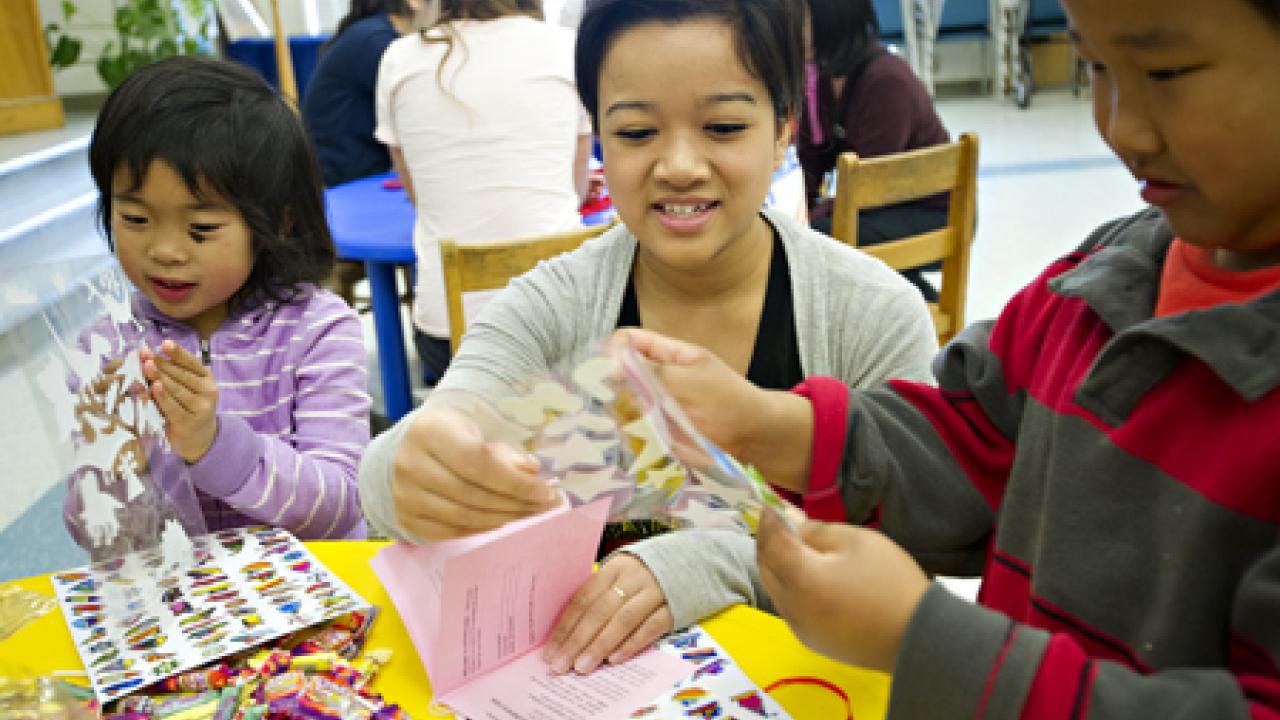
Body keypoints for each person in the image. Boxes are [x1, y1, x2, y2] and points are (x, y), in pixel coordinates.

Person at [545, 0, 1280, 713]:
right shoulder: (1095, 283)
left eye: (1170, 72)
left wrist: (922, 639)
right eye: (1093, 66)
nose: (1122, 127)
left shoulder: (867, 297)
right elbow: (967, 434)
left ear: (782, 131)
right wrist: (766, 424)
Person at [358, 0, 938, 556]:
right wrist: (410, 470)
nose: (680, 167)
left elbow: (916, 543)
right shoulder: (552, 309)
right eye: (637, 133)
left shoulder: (871, 316)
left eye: (724, 126)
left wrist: (704, 568)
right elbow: (427, 440)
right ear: (598, 136)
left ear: (784, 127)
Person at [69, 57, 371, 542]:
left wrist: (213, 445)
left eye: (201, 229)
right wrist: (115, 463)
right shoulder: (109, 345)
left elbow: (338, 506)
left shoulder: (317, 329)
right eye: (135, 219)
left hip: (317, 592)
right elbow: (102, 538)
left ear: (278, 223)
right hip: (188, 605)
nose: (164, 251)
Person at [375, 0, 595, 382]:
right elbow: (574, 191)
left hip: (452, 330)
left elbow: (420, 196)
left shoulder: (400, 58)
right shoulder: (567, 48)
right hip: (565, 316)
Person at [798, 0, 951, 300]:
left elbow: (869, 189)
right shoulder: (824, 77)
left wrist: (810, 220)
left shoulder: (885, 80)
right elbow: (814, 155)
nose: (790, 32)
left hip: (933, 215)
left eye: (800, 22)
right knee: (801, 231)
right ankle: (918, 310)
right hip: (885, 208)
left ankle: (916, 317)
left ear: (830, 20)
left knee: (817, 238)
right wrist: (795, 210)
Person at [302, 0, 434, 188]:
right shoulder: (377, 42)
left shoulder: (371, 33)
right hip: (347, 185)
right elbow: (425, 118)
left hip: (350, 177)